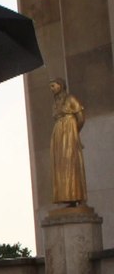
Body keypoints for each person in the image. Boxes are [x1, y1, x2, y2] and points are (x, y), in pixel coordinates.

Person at [49, 78, 87, 206]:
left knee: (71, 163)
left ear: (60, 86)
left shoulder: (70, 99)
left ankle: (77, 196)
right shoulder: (55, 103)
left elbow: (81, 117)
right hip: (58, 135)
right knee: (61, 166)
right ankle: (67, 196)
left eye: (53, 86)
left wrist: (74, 133)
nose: (52, 89)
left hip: (70, 131)